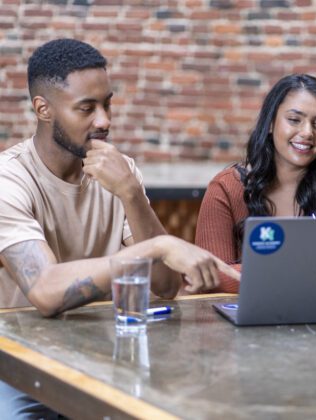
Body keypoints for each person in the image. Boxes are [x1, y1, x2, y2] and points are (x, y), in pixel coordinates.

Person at [0, 38, 239, 418]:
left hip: (108, 355)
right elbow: (44, 291)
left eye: (107, 103)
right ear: (43, 109)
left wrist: (131, 193)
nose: (105, 121)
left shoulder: (121, 173)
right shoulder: (8, 180)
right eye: (87, 108)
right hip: (23, 367)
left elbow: (163, 288)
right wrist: (158, 247)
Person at [195, 74, 316, 293]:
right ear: (270, 123)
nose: (307, 133)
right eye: (294, 120)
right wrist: (312, 268)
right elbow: (211, 278)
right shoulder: (226, 188)